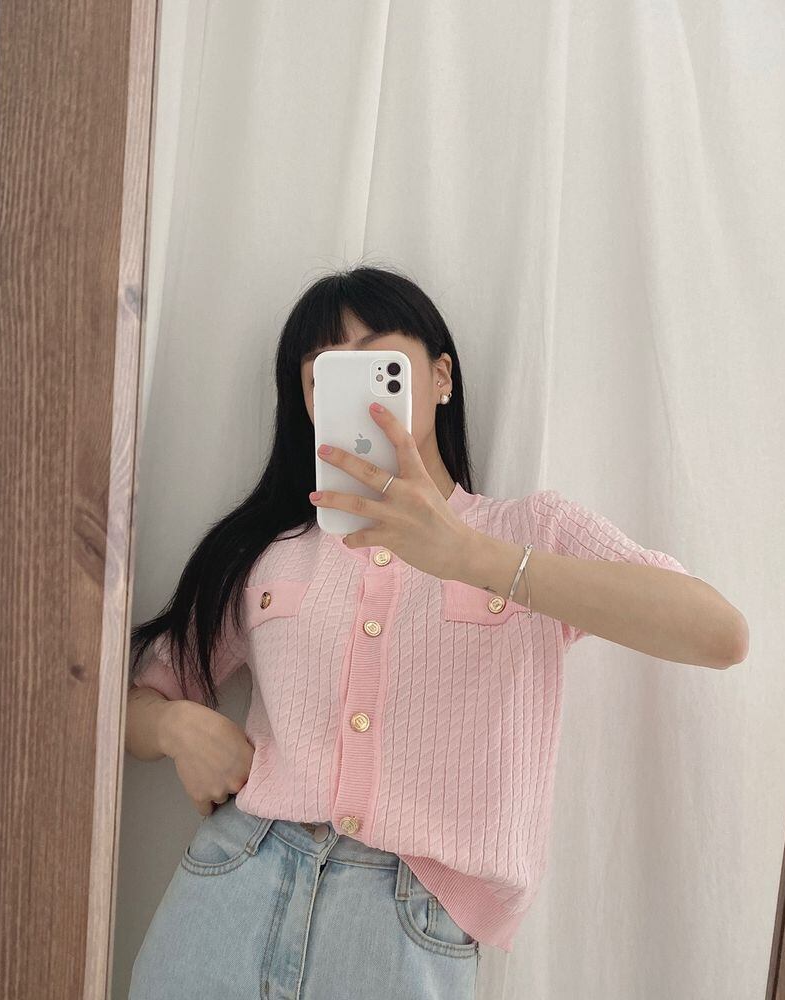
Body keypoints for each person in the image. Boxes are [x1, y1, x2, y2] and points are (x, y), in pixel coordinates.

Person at [125, 264, 748, 1000]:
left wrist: (469, 557)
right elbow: (122, 704)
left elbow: (718, 634)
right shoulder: (266, 551)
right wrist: (175, 729)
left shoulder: (531, 531)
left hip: (406, 925)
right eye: (325, 376)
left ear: (441, 376)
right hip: (232, 882)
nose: (354, 388)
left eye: (378, 364)